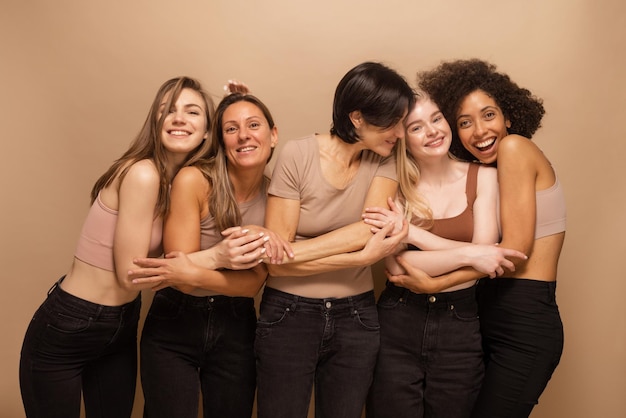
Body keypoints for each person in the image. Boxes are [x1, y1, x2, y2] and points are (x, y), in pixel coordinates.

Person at [19, 76, 216, 418]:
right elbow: (130, 276)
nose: (179, 117)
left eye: (192, 111)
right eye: (167, 110)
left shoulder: (179, 184)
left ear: (207, 133)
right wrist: (218, 257)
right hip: (69, 325)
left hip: (120, 326)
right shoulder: (144, 174)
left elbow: (242, 153)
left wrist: (231, 106)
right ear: (155, 123)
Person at [392, 59, 565, 418]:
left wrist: (431, 284)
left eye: (488, 115)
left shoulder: (515, 149)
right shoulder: (491, 172)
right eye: (465, 122)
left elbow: (512, 252)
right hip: (488, 314)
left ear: (510, 117)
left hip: (525, 321)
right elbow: (483, 253)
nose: (479, 131)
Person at [255, 61, 413, 418]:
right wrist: (357, 259)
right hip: (288, 316)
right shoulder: (298, 154)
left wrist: (292, 252)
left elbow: (369, 229)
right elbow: (275, 269)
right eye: (393, 121)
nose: (401, 133)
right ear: (357, 117)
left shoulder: (384, 160)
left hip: (356, 319)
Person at [364, 91, 525, 418]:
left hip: (460, 322)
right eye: (417, 127)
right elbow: (397, 265)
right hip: (398, 318)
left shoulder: (485, 177)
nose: (432, 131)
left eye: (436, 119)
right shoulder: (394, 184)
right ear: (403, 139)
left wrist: (412, 234)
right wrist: (474, 255)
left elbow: (487, 258)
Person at [132, 92, 291, 418]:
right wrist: (216, 264)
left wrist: (194, 272)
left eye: (254, 125)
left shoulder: (278, 196)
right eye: (231, 129)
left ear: (273, 135)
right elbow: (181, 279)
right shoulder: (194, 180)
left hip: (237, 327)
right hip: (174, 323)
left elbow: (252, 285)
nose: (244, 135)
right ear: (221, 140)